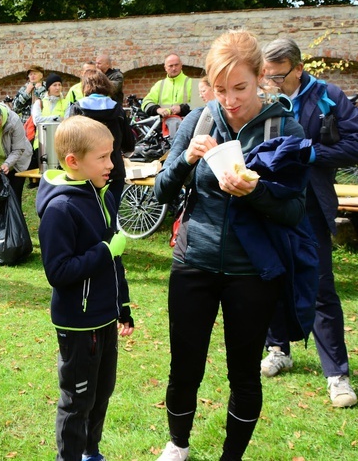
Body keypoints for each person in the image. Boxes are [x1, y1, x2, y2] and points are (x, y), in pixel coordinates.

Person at [154, 29, 308, 460]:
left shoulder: (284, 127)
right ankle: (178, 445)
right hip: (194, 261)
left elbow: (295, 211)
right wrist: (186, 160)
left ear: (261, 77)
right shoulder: (199, 120)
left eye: (239, 87)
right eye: (220, 89)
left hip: (251, 272)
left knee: (244, 373)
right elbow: (160, 193)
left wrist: (254, 192)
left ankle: (231, 457)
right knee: (185, 367)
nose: (230, 99)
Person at [260, 37, 358, 408]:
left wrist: (312, 151)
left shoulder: (328, 95)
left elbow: (356, 142)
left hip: (312, 203)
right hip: (269, 200)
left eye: (279, 76)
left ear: (299, 69)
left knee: (319, 285)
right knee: (271, 276)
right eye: (266, 77)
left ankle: (337, 373)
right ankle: (278, 348)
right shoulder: (266, 97)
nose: (272, 83)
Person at [35, 115, 134, 461]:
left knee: (101, 392)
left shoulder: (100, 195)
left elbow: (112, 262)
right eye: (104, 158)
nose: (112, 164)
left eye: (113, 155)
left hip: (104, 317)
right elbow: (58, 271)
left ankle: (91, 451)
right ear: (74, 162)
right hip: (78, 323)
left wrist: (123, 306)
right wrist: (105, 251)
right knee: (77, 399)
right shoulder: (60, 209)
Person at [68, 69, 133, 207]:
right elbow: (129, 144)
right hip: (114, 170)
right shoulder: (118, 109)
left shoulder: (77, 108)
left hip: (86, 171)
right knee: (111, 214)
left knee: (88, 214)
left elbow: (70, 142)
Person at [141, 54, 193, 119]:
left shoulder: (192, 82)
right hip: (163, 125)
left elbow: (200, 104)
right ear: (165, 68)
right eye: (170, 66)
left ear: (181, 65)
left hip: (186, 123)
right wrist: (158, 110)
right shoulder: (159, 85)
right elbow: (145, 102)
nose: (174, 68)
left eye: (176, 65)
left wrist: (181, 109)